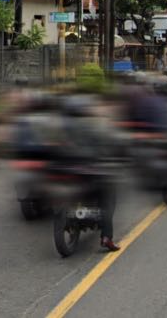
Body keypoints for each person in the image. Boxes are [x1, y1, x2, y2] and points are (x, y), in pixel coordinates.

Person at [60, 95, 120, 251]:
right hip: (94, 172)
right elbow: (113, 143)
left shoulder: (60, 126)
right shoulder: (99, 124)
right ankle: (107, 237)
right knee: (108, 197)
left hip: (68, 171)